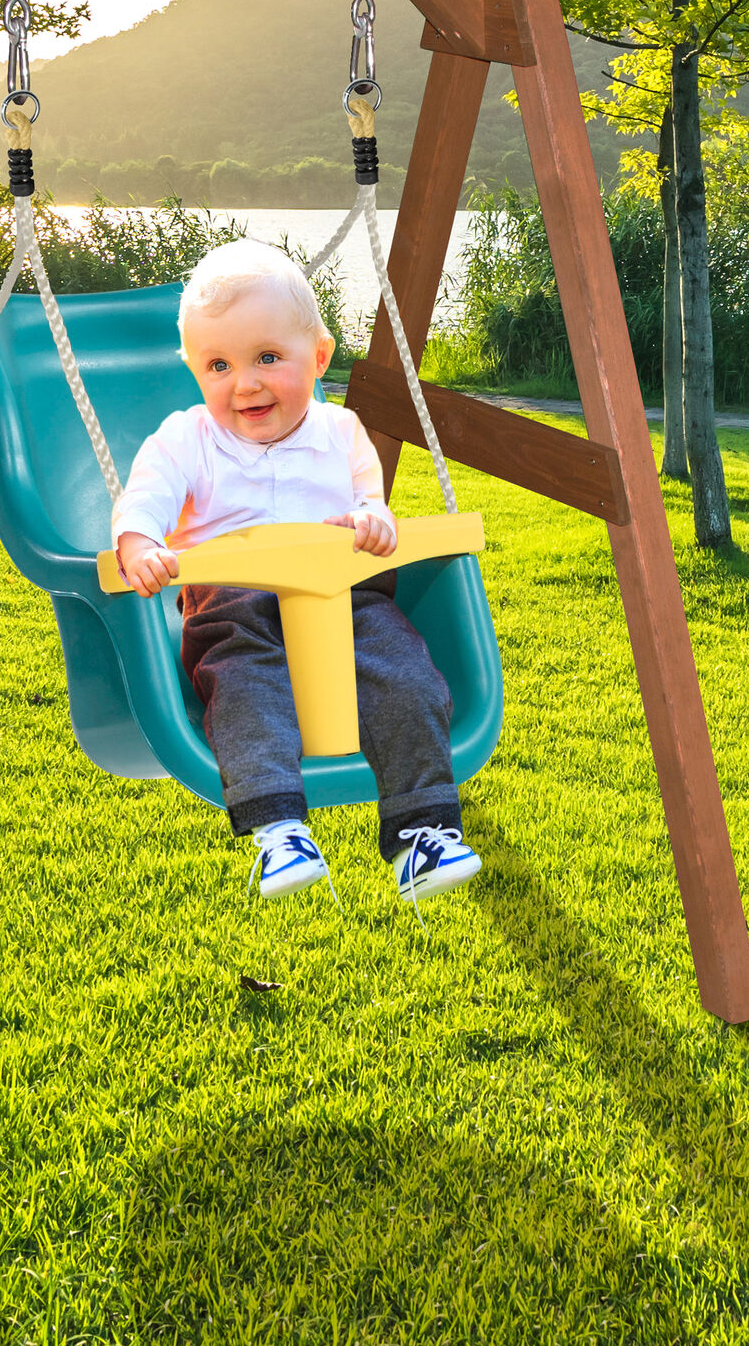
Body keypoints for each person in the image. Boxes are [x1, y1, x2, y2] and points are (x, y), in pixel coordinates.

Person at [111, 240, 482, 903]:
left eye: (267, 358)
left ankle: (421, 835)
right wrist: (139, 543)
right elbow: (146, 496)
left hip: (350, 601)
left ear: (318, 357)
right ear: (195, 371)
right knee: (245, 691)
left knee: (409, 676)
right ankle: (279, 829)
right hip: (234, 611)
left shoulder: (341, 433)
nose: (244, 383)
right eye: (218, 365)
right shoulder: (186, 438)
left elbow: (372, 504)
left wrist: (374, 522)